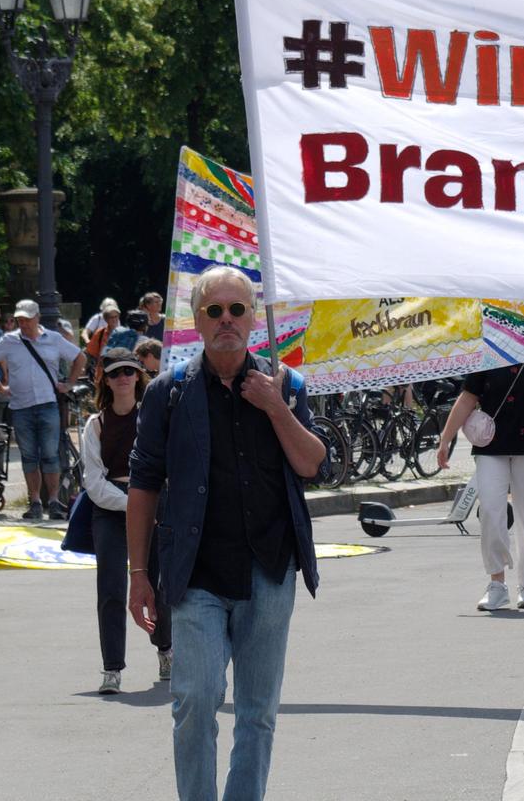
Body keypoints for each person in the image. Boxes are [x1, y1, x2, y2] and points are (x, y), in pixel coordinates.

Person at [126, 265, 327, 801]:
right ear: (196, 321)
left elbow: (313, 464)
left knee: (257, 712)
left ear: (254, 318)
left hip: (270, 568)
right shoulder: (169, 393)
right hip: (197, 573)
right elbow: (143, 483)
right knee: (195, 698)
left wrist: (274, 404)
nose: (227, 321)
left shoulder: (287, 385)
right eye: (214, 311)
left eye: (237, 309)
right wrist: (138, 573)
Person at [82, 347, 170, 692]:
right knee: (112, 588)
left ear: (139, 376)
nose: (123, 378)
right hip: (111, 509)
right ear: (105, 378)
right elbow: (93, 481)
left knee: (158, 584)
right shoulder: (96, 424)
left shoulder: (152, 417)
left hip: (152, 504)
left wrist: (148, 504)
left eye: (129, 372)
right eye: (115, 373)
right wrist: (130, 505)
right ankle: (112, 669)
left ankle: (166, 649)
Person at [438, 355, 524, 610]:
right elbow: (468, 397)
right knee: (491, 511)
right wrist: (446, 439)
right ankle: (497, 583)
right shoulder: (488, 354)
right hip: (490, 443)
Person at [0, 299, 86, 521]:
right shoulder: (9, 340)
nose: (23, 324)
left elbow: (80, 357)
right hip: (21, 407)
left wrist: (69, 383)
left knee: (50, 455)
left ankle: (54, 502)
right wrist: (0, 388)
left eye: (27, 320)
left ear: (37, 317)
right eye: (20, 320)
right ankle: (36, 501)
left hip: (47, 404)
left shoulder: (54, 338)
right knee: (29, 457)